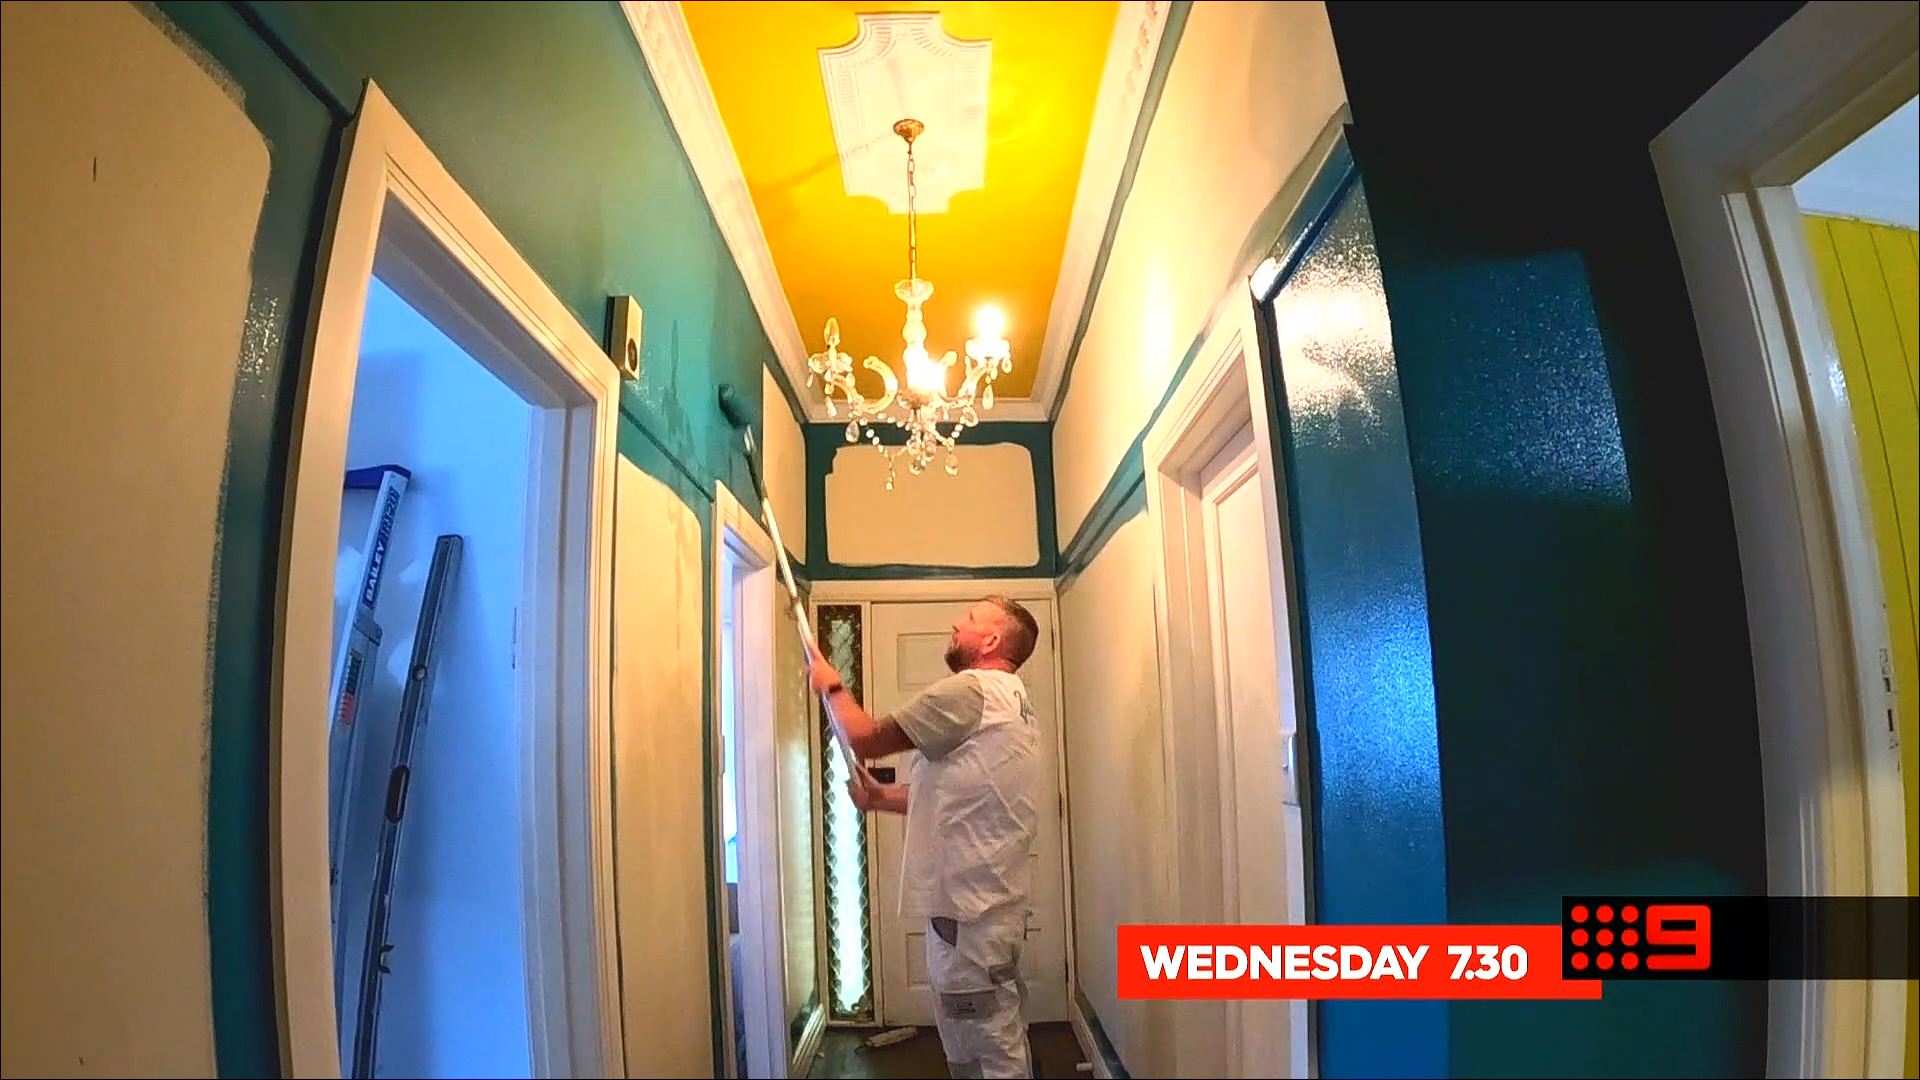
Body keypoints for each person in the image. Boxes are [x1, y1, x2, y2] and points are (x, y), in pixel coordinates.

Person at [807, 595, 1045, 1079]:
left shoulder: (970, 692)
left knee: (986, 1040)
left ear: (991, 640)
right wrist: (881, 798)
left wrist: (830, 685)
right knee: (988, 1031)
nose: (957, 624)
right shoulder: (1014, 703)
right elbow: (962, 796)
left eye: (970, 619)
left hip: (969, 918)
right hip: (989, 911)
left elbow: (866, 738)